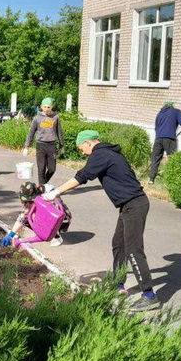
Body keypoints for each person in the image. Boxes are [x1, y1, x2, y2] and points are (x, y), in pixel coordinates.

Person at [43, 130, 160, 312]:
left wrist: (55, 192)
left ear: (89, 143)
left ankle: (149, 295)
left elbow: (81, 177)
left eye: (81, 148)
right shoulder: (109, 153)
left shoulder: (101, 154)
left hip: (134, 205)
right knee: (119, 244)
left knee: (133, 249)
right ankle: (118, 284)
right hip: (129, 205)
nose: (82, 152)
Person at [1, 181, 64, 248]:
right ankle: (45, 232)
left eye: (29, 202)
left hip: (62, 219)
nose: (26, 204)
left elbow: (56, 214)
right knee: (29, 217)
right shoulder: (32, 201)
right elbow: (22, 218)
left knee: (35, 217)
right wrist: (11, 235)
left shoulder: (48, 196)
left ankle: (56, 237)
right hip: (54, 215)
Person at [22, 97, 64, 185]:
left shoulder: (55, 117)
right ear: (41, 107)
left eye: (48, 107)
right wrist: (26, 147)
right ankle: (42, 188)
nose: (46, 109)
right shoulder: (36, 118)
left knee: (52, 169)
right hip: (40, 145)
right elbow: (31, 133)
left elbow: (59, 132)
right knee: (41, 169)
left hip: (51, 145)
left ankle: (42, 184)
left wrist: (61, 146)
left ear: (52, 107)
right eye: (45, 107)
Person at [149, 102, 181, 184]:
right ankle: (173, 180)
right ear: (171, 105)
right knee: (172, 159)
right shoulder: (176, 111)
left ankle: (151, 179)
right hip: (170, 138)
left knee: (155, 159)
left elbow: (156, 128)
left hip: (158, 139)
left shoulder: (159, 113)